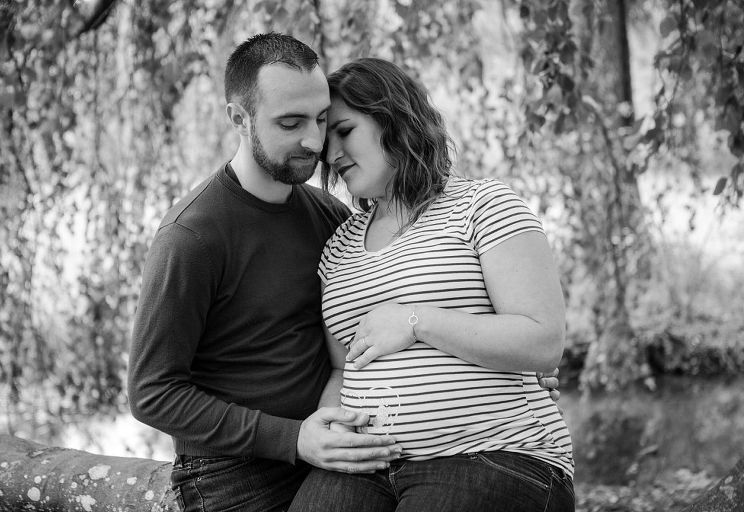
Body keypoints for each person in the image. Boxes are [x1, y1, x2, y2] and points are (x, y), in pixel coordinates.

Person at [128, 33, 561, 512]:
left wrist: (511, 364)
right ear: (239, 119)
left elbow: (384, 321)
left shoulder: (330, 221)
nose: (317, 145)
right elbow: (152, 392)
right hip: (239, 469)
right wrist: (295, 439)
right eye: (292, 123)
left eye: (325, 122)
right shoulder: (193, 236)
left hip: (343, 453)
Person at [288, 58, 575, 511]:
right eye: (328, 143)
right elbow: (345, 367)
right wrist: (333, 428)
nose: (332, 153)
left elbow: (542, 341)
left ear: (393, 117)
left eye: (345, 131)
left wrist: (416, 321)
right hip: (368, 468)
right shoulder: (338, 246)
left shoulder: (484, 206)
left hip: (492, 452)